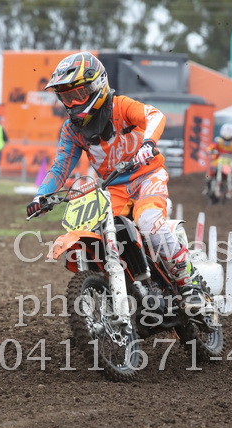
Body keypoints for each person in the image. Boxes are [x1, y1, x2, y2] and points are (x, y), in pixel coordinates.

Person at [26, 51, 205, 312]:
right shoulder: (72, 130)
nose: (73, 103)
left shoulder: (121, 106)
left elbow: (155, 115)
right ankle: (127, 289)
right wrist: (41, 196)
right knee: (101, 232)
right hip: (113, 188)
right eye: (66, 97)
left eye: (78, 94)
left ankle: (189, 283)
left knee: (148, 222)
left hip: (146, 176)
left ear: (97, 85)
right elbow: (60, 166)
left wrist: (148, 143)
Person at [203, 123, 232, 197]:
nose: (227, 134)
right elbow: (210, 147)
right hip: (217, 161)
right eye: (226, 131)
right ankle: (207, 188)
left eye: (229, 132)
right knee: (209, 174)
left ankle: (230, 189)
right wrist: (209, 151)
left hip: (228, 163)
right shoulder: (218, 141)